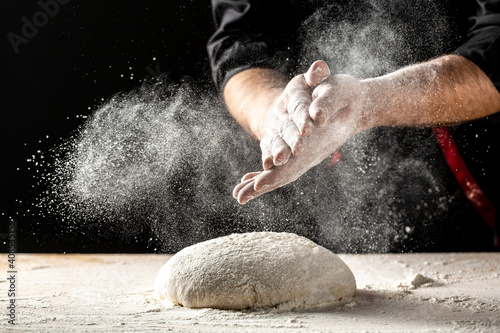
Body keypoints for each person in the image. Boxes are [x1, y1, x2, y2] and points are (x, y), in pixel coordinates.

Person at [207, 0, 500, 251]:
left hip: (452, 175)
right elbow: (237, 47)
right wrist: (276, 113)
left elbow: (494, 46)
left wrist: (370, 102)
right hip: (297, 167)